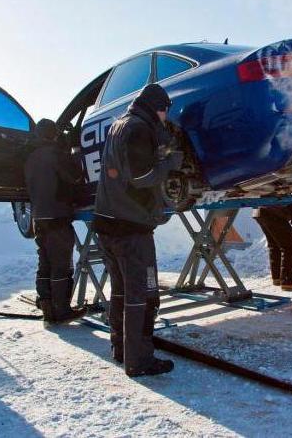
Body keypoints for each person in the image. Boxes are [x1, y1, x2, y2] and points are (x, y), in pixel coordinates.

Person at [94, 84, 183, 377]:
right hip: (130, 228)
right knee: (142, 294)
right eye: (165, 111)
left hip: (109, 224)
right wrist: (169, 163)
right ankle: (140, 361)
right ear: (157, 107)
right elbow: (142, 177)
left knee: (121, 291)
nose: (165, 117)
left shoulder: (119, 124)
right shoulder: (139, 129)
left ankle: (121, 349)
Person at [25, 118, 86, 324]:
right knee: (61, 265)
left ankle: (46, 305)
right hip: (58, 216)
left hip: (39, 217)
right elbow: (75, 176)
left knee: (45, 264)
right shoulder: (56, 155)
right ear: (54, 134)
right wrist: (74, 151)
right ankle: (61, 311)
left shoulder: (31, 158)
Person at [253, 198, 292, 291]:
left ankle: (277, 278)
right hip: (272, 212)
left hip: (260, 211)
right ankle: (288, 282)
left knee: (275, 245)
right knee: (291, 245)